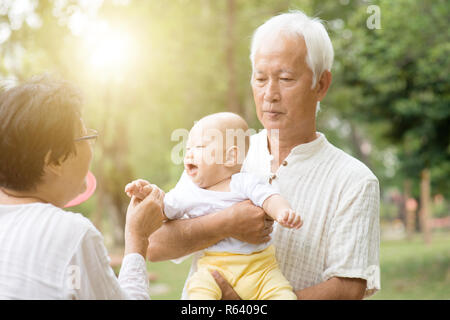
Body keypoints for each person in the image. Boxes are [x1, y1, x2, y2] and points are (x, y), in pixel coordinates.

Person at [147, 10, 380, 300]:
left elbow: (348, 288)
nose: (270, 93)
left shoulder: (354, 181)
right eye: (260, 79)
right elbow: (154, 245)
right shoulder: (219, 155)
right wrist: (228, 222)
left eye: (285, 78)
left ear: (320, 84)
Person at [0, 75, 165, 299]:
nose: (91, 148)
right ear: (54, 161)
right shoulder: (72, 233)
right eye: (86, 136)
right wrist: (138, 238)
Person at [125, 112, 301, 299]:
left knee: (283, 294)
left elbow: (269, 198)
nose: (189, 153)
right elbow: (163, 210)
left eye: (199, 146)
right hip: (214, 269)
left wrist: (282, 211)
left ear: (231, 156)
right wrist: (148, 193)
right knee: (199, 290)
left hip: (261, 269)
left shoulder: (243, 182)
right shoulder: (189, 191)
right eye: (188, 148)